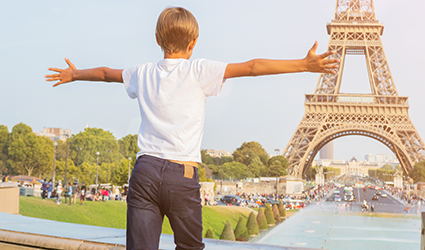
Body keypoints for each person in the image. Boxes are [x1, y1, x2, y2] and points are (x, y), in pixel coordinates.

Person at [45, 6, 338, 250]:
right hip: (180, 176)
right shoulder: (199, 70)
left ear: (157, 38)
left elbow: (107, 73)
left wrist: (75, 74)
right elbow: (251, 67)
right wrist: (302, 64)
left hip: (144, 171)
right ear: (193, 43)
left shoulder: (142, 72)